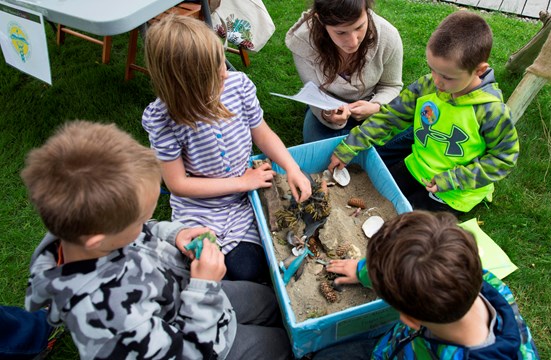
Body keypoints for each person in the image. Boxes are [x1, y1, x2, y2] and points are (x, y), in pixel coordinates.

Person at [21, 121, 292, 360]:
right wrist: (204, 288)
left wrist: (173, 234)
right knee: (279, 346)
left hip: (189, 292)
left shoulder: (80, 229)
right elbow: (187, 353)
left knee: (270, 302)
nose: (144, 224)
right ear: (98, 240)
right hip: (208, 341)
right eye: (139, 220)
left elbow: (141, 232)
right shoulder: (109, 322)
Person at [141, 15, 312, 283]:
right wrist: (242, 182)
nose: (224, 72)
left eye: (221, 60)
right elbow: (178, 184)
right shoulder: (162, 118)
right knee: (240, 269)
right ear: (184, 84)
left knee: (260, 260)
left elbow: (263, 133)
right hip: (201, 206)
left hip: (244, 196)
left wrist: (291, 167)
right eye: (213, 72)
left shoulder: (237, 85)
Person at [328, 11, 519, 216]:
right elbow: (391, 116)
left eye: (447, 76)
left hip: (454, 191)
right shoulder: (428, 86)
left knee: (403, 224)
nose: (436, 81)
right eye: (432, 69)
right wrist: (350, 145)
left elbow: (505, 158)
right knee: (371, 200)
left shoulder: (492, 112)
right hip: (417, 166)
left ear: (479, 71)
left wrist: (455, 178)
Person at [319, 210, 539, 359]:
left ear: (411, 319)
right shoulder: (482, 280)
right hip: (394, 345)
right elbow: (415, 261)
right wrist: (362, 271)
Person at [286, 0, 413, 167]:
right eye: (341, 32)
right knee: (320, 154)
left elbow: (391, 85)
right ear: (320, 21)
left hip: (372, 104)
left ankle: (365, 158)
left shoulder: (388, 36)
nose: (353, 41)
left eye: (359, 27)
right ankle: (367, 159)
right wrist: (328, 115)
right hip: (328, 106)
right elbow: (314, 92)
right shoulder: (303, 41)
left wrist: (376, 106)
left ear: (367, 12)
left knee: (410, 138)